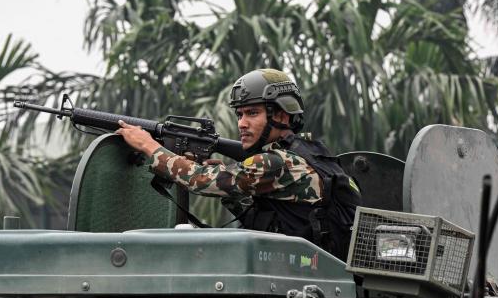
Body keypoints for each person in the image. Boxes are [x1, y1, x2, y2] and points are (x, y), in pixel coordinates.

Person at [116, 68, 360, 260]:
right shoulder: (311, 153)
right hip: (313, 273)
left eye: (252, 113)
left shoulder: (276, 163)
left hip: (300, 280)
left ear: (282, 116)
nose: (242, 123)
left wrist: (148, 145)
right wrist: (227, 185)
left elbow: (198, 180)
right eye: (240, 114)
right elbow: (265, 218)